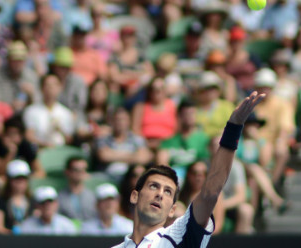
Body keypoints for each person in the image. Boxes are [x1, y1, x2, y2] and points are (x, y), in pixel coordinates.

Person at [112, 91, 264, 248]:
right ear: (135, 196)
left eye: (168, 192)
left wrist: (234, 127)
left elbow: (209, 193)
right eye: (153, 186)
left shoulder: (179, 234)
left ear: (173, 210)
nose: (159, 194)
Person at [157, 100, 210, 181]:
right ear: (179, 116)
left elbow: (205, 164)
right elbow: (161, 162)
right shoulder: (169, 141)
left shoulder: (203, 139)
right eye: (186, 114)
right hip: (173, 178)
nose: (189, 117)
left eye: (192, 113)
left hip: (195, 179)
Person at [95, 108, 153, 182]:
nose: (120, 123)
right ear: (112, 121)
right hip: (108, 177)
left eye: (123, 119)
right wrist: (133, 155)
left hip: (129, 178)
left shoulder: (136, 139)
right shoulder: (104, 138)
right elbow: (103, 156)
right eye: (117, 119)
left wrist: (113, 154)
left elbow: (144, 157)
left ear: (129, 121)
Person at [131, 77, 178, 145]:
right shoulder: (141, 107)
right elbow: (135, 129)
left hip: (167, 144)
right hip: (145, 143)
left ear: (165, 91)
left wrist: (165, 143)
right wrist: (145, 142)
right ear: (150, 91)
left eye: (161, 89)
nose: (157, 92)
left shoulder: (172, 106)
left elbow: (176, 130)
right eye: (154, 89)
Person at [0, 159, 33, 231]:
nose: (20, 183)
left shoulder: (33, 201)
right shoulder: (1, 202)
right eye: (16, 179)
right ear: (9, 180)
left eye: (23, 179)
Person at [57, 156, 97, 222]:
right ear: (67, 172)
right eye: (76, 170)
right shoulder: (59, 197)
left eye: (83, 170)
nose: (80, 173)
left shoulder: (92, 196)